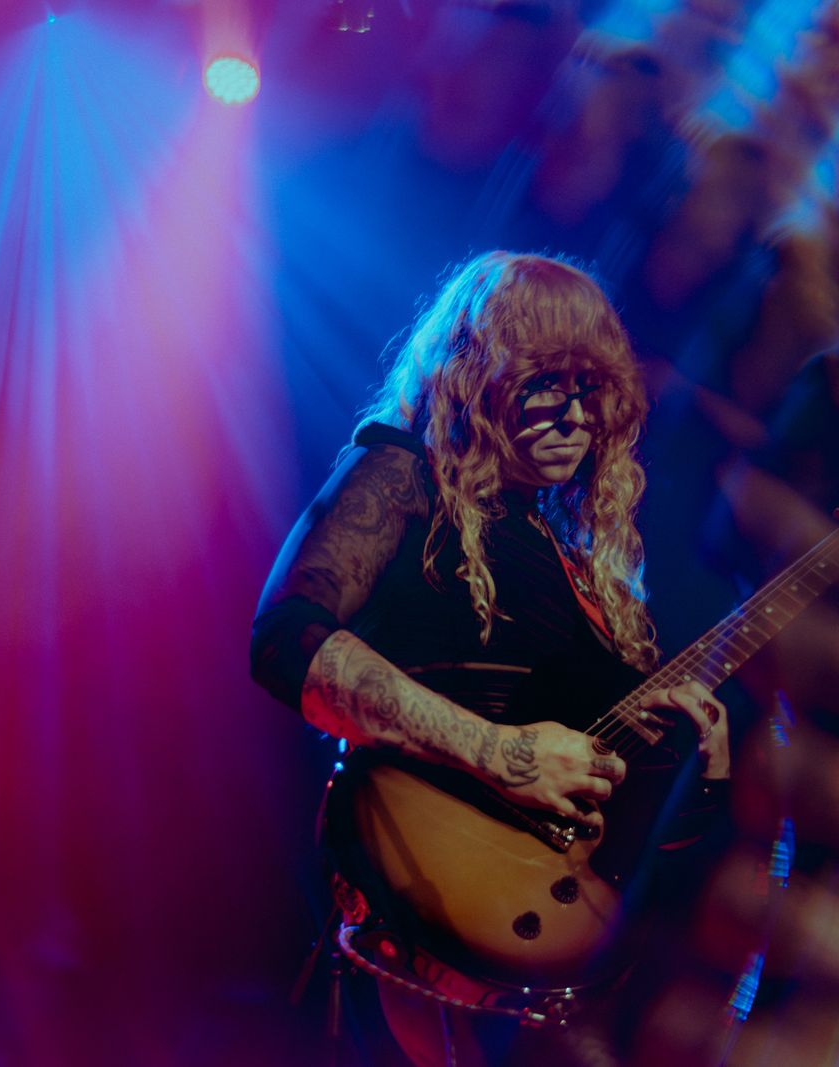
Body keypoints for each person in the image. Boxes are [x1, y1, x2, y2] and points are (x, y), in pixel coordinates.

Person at [250, 251, 729, 1066]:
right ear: (479, 374)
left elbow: (641, 842)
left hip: (555, 937)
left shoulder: (576, 558)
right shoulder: (404, 474)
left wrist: (701, 770)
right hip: (423, 881)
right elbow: (284, 638)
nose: (576, 415)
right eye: (548, 382)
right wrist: (503, 755)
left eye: (592, 388)